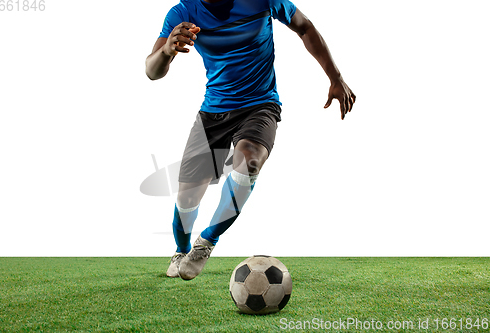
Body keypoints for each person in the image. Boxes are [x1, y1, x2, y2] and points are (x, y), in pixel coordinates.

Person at [145, 0, 356, 280]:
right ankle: (181, 249)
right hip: (213, 113)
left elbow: (304, 27)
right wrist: (167, 50)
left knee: (250, 161)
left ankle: (206, 242)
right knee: (187, 197)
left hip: (260, 105)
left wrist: (335, 77)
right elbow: (152, 71)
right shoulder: (182, 12)